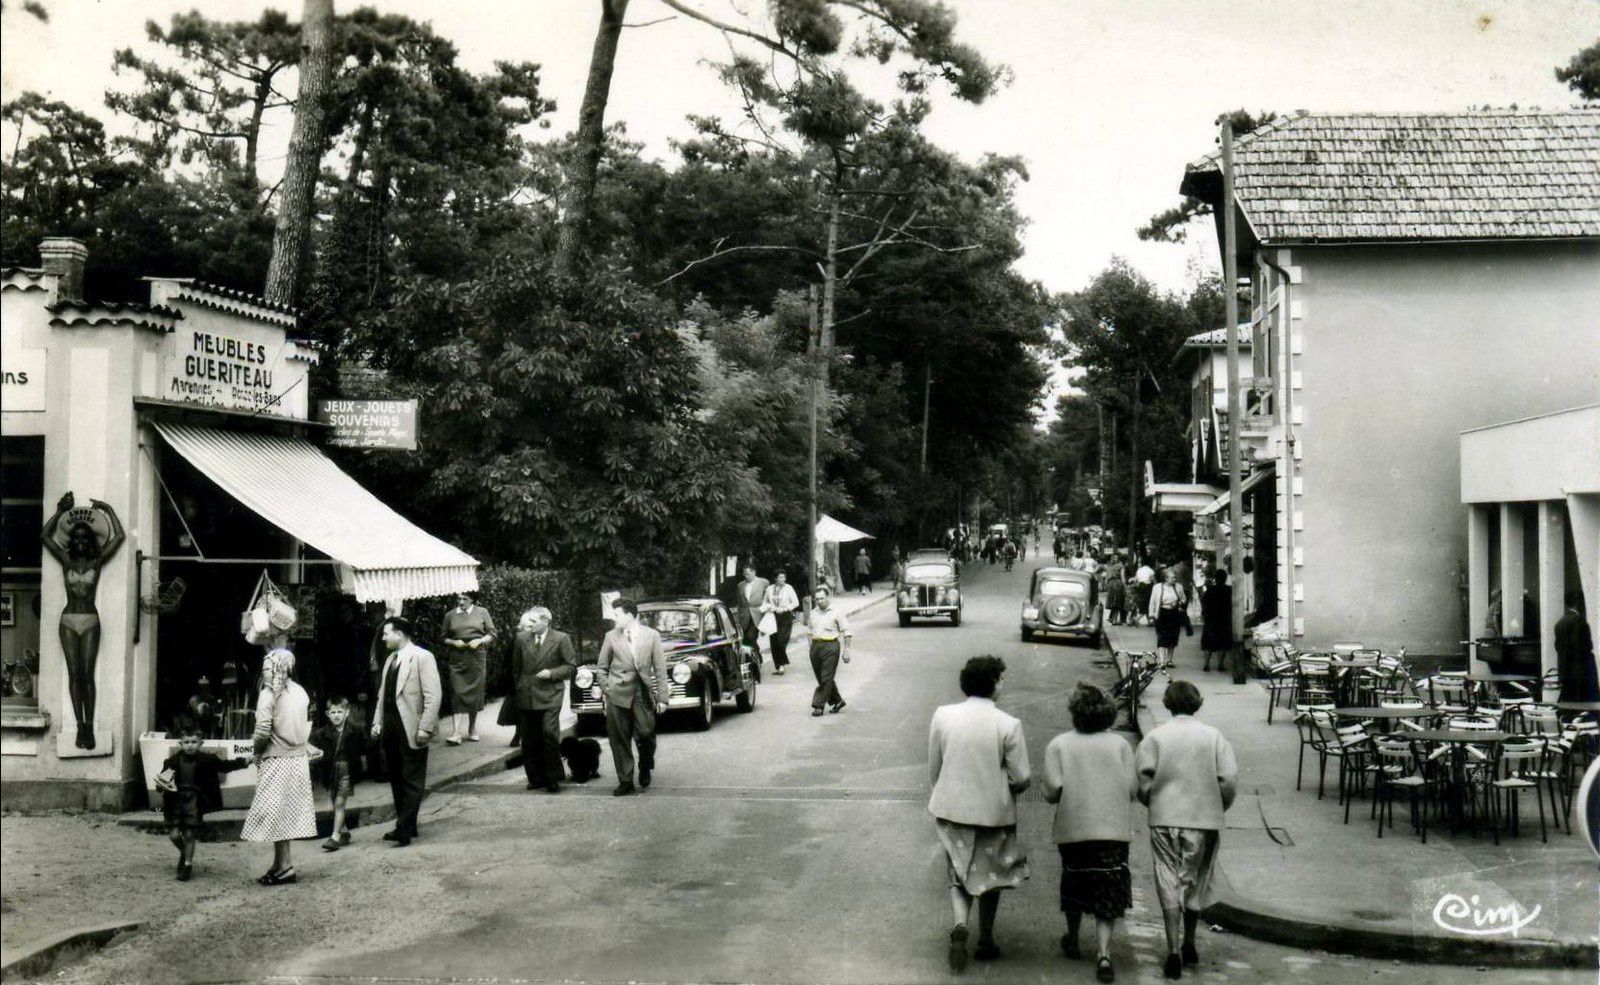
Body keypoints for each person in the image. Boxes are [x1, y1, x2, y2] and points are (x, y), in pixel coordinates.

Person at [928, 656, 1031, 972]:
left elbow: (935, 766)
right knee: (991, 875)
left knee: (959, 872)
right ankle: (985, 938)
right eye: (1002, 679)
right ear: (995, 684)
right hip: (993, 814)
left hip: (952, 810)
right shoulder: (1008, 724)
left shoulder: (943, 715)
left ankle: (960, 924)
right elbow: (1022, 777)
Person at [1137, 681, 1239, 980]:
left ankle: (1172, 950)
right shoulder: (1214, 737)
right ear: (1198, 703)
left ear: (1167, 704)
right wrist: (1218, 805)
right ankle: (1190, 941)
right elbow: (1228, 779)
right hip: (1203, 818)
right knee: (1196, 878)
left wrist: (1153, 800)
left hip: (1164, 817)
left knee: (1167, 878)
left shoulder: (1155, 737)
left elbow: (1143, 780)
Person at [1043, 684, 1135, 983]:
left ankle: (1072, 937)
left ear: (1075, 713)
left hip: (1074, 828)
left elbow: (1052, 792)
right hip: (1113, 830)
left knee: (1075, 880)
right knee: (1107, 888)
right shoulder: (1120, 745)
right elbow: (1132, 789)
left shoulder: (1059, 745)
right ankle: (1104, 953)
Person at [41, 492, 125, 749]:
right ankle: (80, 726)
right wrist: (58, 511)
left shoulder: (97, 561)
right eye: (75, 537)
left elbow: (119, 536)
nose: (79, 540)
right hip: (68, 620)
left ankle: (89, 726)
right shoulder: (65, 560)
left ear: (90, 540)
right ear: (71, 540)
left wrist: (107, 508)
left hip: (90, 620)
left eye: (84, 537)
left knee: (87, 675)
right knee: (74, 674)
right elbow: (45, 536)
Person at [242, 640, 318, 885]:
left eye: (269, 666)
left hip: (276, 760)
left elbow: (263, 730)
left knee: (275, 814)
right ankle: (280, 864)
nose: (265, 670)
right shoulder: (301, 692)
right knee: (283, 814)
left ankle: (285, 866)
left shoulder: (267, 695)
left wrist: (256, 753)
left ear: (280, 669)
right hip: (297, 761)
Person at [372, 616, 442, 847]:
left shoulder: (422, 657)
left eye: (386, 634)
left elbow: (433, 696)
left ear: (399, 634)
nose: (383, 638)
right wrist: (377, 722)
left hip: (412, 726)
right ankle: (407, 825)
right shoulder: (390, 659)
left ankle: (403, 828)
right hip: (391, 726)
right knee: (396, 776)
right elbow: (383, 694)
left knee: (412, 778)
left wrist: (425, 728)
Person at [597, 597, 670, 796]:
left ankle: (645, 764)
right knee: (619, 738)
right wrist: (608, 688)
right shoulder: (611, 636)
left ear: (629, 615)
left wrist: (662, 698)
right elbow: (601, 668)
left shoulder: (651, 635)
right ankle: (626, 781)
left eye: (617, 615)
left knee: (646, 733)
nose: (614, 619)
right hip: (617, 693)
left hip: (641, 691)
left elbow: (660, 669)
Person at [159, 721, 247, 881]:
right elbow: (162, 780)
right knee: (173, 835)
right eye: (186, 742)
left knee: (189, 834)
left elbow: (225, 766)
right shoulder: (172, 761)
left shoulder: (207, 760)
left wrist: (244, 762)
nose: (190, 745)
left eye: (193, 742)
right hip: (175, 802)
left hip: (194, 802)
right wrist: (161, 786)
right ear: (180, 743)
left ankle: (187, 864)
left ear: (200, 743)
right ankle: (184, 851)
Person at [512, 606, 578, 792]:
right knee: (529, 738)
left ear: (545, 621)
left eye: (533, 621)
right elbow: (516, 668)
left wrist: (552, 673)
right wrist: (519, 688)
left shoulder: (561, 638)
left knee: (549, 734)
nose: (529, 625)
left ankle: (553, 777)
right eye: (529, 621)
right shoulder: (521, 639)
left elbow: (571, 666)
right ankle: (535, 778)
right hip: (526, 695)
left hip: (551, 694)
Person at [439, 592, 497, 745]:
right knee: (457, 693)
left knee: (475, 693)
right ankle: (456, 733)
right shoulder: (450, 615)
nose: (461, 601)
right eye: (459, 598)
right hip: (457, 658)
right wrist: (453, 642)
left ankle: (472, 728)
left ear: (472, 599)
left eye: (465, 599)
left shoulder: (482, 612)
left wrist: (480, 641)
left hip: (476, 657)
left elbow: (492, 634)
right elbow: (443, 637)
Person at [310, 695, 363, 852]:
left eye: (340, 712)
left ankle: (335, 837)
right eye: (333, 712)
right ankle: (344, 831)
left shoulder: (355, 730)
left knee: (340, 802)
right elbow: (310, 745)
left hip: (347, 770)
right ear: (327, 714)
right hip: (331, 772)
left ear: (347, 713)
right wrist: (315, 753)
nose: (337, 715)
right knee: (335, 800)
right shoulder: (321, 733)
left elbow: (365, 746)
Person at [807, 587, 852, 717]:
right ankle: (838, 701)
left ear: (828, 598)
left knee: (826, 676)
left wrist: (847, 650)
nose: (819, 601)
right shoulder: (813, 613)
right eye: (817, 599)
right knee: (821, 678)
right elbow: (809, 631)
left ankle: (818, 705)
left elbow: (847, 632)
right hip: (816, 646)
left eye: (822, 598)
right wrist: (811, 647)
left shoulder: (836, 612)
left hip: (831, 645)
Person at [1555, 590, 1599, 703]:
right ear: (1577, 602)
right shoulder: (1579, 621)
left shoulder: (1559, 624)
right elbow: (1585, 646)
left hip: (1565, 671)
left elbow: (1558, 647)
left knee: (1569, 703)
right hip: (1580, 672)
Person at [1148, 569, 1188, 669]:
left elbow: (1184, 599)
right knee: (1162, 637)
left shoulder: (1178, 587)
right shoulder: (1157, 587)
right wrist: (1151, 615)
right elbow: (1152, 602)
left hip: (1174, 614)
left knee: (1172, 638)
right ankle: (1162, 661)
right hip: (1162, 613)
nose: (1175, 579)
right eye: (1172, 578)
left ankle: (1169, 660)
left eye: (1175, 577)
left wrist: (1178, 603)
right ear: (1166, 578)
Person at [764, 572, 801, 675]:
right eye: (780, 577)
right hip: (773, 616)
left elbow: (796, 602)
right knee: (773, 641)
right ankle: (778, 666)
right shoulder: (769, 589)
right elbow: (765, 602)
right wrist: (771, 607)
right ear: (775, 578)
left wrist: (786, 608)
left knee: (781, 641)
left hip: (785, 616)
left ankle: (782, 663)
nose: (783, 579)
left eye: (784, 577)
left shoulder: (789, 588)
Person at [1199, 570, 1234, 673]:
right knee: (1222, 643)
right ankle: (1220, 664)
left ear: (1215, 578)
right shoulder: (1229, 590)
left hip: (1210, 619)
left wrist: (1204, 615)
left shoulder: (1209, 590)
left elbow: (1204, 604)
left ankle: (1206, 664)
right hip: (1224, 619)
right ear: (1225, 578)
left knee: (1208, 643)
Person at [736, 566, 771, 654]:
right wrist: (738, 618)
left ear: (754, 572)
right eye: (744, 574)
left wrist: (767, 615)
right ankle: (753, 657)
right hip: (744, 616)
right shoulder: (740, 585)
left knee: (751, 637)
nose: (746, 576)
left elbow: (768, 599)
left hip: (757, 615)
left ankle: (756, 655)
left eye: (747, 574)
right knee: (745, 640)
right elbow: (739, 603)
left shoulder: (764, 582)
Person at [1132, 560, 1156, 627]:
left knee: (1143, 603)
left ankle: (1150, 621)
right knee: (1148, 603)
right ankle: (1138, 619)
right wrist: (1156, 584)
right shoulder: (1151, 570)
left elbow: (1136, 579)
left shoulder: (1139, 570)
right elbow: (1152, 579)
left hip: (1140, 587)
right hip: (1148, 588)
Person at [1103, 562, 1127, 627]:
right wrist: (1125, 586)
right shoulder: (1121, 566)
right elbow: (1122, 577)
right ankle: (1115, 620)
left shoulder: (1110, 566)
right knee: (1118, 602)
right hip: (1118, 584)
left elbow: (1107, 578)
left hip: (1111, 584)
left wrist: (1106, 585)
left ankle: (1112, 618)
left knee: (1113, 601)